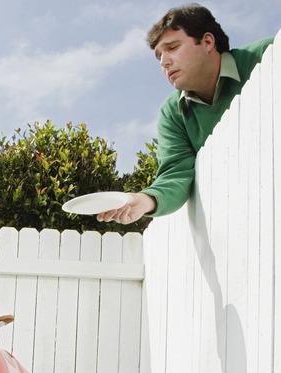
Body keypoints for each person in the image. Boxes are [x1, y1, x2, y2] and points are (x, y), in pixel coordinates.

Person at [97, 3, 274, 224]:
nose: (164, 61)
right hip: (249, 217)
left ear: (208, 42)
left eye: (172, 48)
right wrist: (143, 199)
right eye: (159, 56)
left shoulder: (269, 55)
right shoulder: (172, 113)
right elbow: (176, 174)